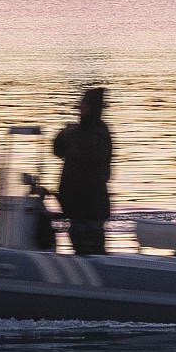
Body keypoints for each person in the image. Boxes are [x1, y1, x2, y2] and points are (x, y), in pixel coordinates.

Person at [52, 86, 113, 256]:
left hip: (87, 207)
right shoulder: (98, 131)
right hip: (84, 207)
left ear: (90, 107)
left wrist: (66, 132)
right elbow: (59, 150)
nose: (79, 107)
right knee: (89, 248)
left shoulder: (89, 134)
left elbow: (59, 149)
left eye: (83, 104)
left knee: (89, 250)